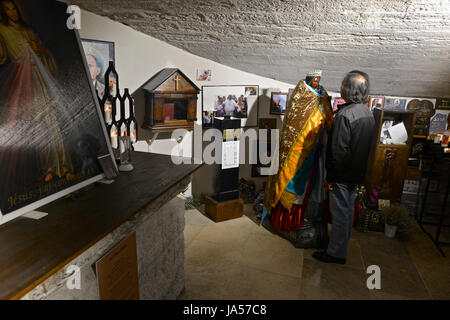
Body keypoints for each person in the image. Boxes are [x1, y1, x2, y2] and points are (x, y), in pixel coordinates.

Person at [0, 0, 74, 183]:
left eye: (14, 8)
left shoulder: (29, 32)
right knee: (38, 124)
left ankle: (64, 167)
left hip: (40, 78)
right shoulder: (3, 31)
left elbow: (48, 61)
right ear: (4, 13)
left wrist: (41, 50)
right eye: (7, 10)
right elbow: (2, 58)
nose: (12, 12)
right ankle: (49, 167)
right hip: (23, 81)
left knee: (52, 122)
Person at [263, 70, 334, 248]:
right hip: (297, 153)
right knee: (292, 185)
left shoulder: (323, 95)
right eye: (314, 80)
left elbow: (329, 120)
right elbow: (293, 125)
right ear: (309, 79)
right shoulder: (301, 93)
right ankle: (285, 222)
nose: (317, 82)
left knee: (308, 188)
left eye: (318, 80)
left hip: (315, 152)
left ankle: (302, 220)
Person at [313, 71, 375, 264]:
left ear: (348, 89)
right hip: (356, 174)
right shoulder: (367, 113)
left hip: (341, 176)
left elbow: (337, 153)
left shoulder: (345, 115)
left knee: (340, 213)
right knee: (347, 211)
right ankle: (341, 244)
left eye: (342, 84)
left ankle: (336, 253)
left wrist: (329, 178)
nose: (340, 87)